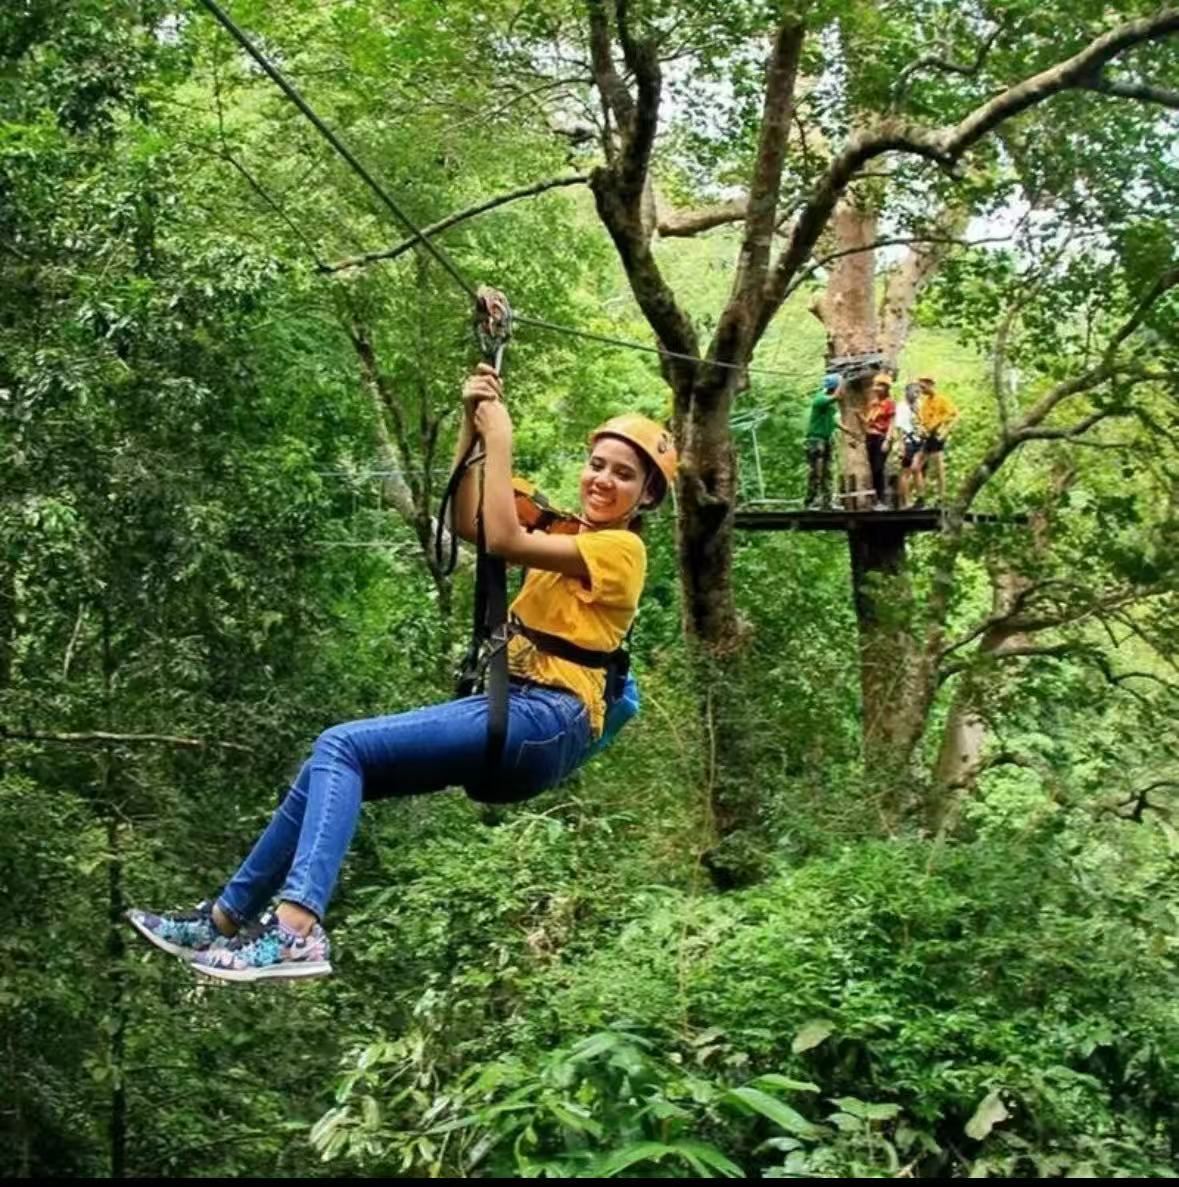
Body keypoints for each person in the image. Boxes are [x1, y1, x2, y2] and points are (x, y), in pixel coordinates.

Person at [125, 365, 677, 983]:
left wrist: (502, 438)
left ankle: (295, 931)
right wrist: (472, 430)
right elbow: (471, 521)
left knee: (341, 744)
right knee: (328, 766)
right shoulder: (566, 531)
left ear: (647, 497)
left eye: (624, 475)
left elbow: (501, 534)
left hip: (547, 716)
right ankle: (223, 921)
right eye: (597, 465)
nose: (603, 480)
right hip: (521, 709)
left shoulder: (621, 551)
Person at [803, 373, 849, 509]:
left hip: (826, 440)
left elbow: (833, 420)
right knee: (815, 472)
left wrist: (848, 430)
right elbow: (838, 396)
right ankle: (810, 502)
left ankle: (827, 502)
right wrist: (842, 380)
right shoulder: (820, 399)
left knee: (827, 472)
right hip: (816, 441)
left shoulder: (828, 405)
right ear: (834, 387)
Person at [914, 375, 959, 504]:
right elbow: (923, 421)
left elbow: (955, 415)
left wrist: (946, 430)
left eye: (923, 387)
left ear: (930, 385)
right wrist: (921, 430)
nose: (921, 390)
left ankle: (941, 497)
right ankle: (921, 498)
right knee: (916, 467)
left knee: (938, 466)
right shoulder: (925, 402)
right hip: (928, 436)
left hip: (938, 434)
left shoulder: (942, 400)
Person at [862, 373, 896, 511]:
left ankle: (882, 500)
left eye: (880, 385)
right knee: (873, 470)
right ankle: (876, 500)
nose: (876, 388)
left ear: (886, 388)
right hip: (870, 438)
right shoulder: (873, 404)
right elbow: (869, 422)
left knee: (879, 469)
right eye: (875, 385)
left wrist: (888, 440)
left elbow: (892, 422)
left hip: (881, 438)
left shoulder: (889, 403)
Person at [891, 381, 925, 507]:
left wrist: (917, 411)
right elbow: (899, 427)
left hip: (919, 441)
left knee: (917, 469)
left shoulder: (919, 405)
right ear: (907, 392)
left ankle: (920, 498)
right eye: (915, 392)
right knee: (906, 471)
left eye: (918, 392)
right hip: (907, 441)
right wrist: (901, 444)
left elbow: (923, 422)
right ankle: (905, 501)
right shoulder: (901, 406)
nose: (917, 395)